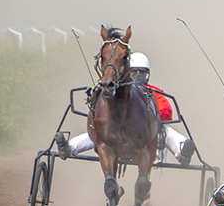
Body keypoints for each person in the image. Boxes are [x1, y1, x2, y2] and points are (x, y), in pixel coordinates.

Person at [53, 52, 196, 166]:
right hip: (115, 134)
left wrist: (151, 117)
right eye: (135, 72)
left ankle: (182, 152)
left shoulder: (153, 92)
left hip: (143, 136)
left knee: (165, 131)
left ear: (148, 74)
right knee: (98, 133)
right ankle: (69, 148)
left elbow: (165, 111)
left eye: (143, 72)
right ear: (128, 72)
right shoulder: (118, 92)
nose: (138, 75)